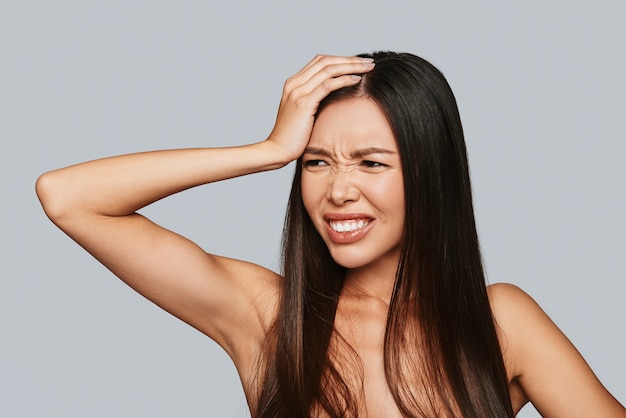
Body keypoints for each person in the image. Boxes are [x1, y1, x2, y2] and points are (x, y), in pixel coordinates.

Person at [36, 52, 624, 417]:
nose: (337, 190)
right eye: (315, 162)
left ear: (429, 175)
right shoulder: (266, 315)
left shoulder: (499, 321)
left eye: (370, 163)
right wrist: (267, 151)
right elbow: (69, 198)